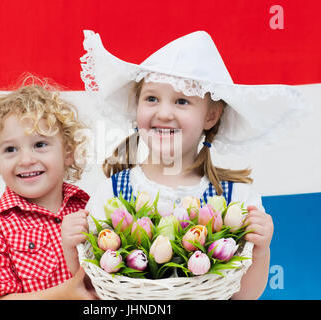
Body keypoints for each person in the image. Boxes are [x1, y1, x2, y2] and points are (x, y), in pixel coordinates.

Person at [62, 30, 306, 299]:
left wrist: (261, 249)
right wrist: (73, 248)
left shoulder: (235, 198)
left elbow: (243, 296)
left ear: (211, 116)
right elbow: (94, 291)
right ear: (137, 106)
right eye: (151, 98)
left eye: (182, 101)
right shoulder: (112, 193)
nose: (164, 113)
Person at [0, 76, 96, 300]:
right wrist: (66, 294)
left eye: (40, 144)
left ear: (67, 153)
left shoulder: (87, 208)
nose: (26, 159)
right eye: (10, 149)